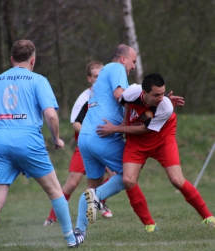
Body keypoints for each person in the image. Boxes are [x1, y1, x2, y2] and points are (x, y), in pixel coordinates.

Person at [0, 40, 83, 251]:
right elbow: (51, 115)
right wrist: (57, 139)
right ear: (33, 60)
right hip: (28, 142)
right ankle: (71, 239)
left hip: (1, 142)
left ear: (11, 59)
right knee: (55, 191)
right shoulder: (38, 80)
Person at [85, 73, 215, 231]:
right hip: (137, 142)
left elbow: (144, 129)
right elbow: (124, 101)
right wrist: (124, 120)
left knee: (176, 180)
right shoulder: (133, 91)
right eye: (157, 95)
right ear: (144, 92)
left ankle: (208, 216)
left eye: (163, 93)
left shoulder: (166, 106)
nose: (161, 97)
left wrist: (115, 128)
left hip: (162, 139)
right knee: (128, 180)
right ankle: (149, 225)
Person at [43, 61, 115, 226]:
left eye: (102, 76)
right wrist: (91, 135)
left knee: (116, 177)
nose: (100, 79)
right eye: (96, 76)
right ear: (89, 79)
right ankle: (52, 217)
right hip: (85, 147)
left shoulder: (111, 94)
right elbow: (75, 123)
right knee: (73, 183)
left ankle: (99, 200)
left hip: (105, 146)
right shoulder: (85, 97)